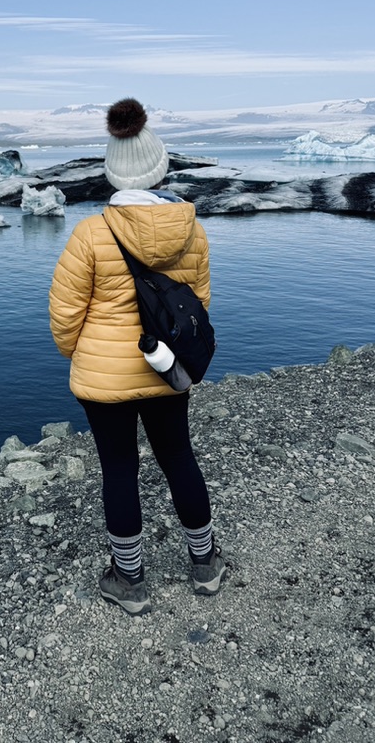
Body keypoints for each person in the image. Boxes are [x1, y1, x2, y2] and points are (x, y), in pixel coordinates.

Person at [49, 97, 225, 615]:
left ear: (111, 173)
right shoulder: (192, 229)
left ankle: (130, 582)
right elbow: (199, 306)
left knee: (120, 469)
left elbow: (64, 314)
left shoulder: (90, 233)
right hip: (170, 369)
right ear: (160, 166)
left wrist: (79, 355)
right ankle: (206, 564)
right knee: (178, 457)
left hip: (105, 381)